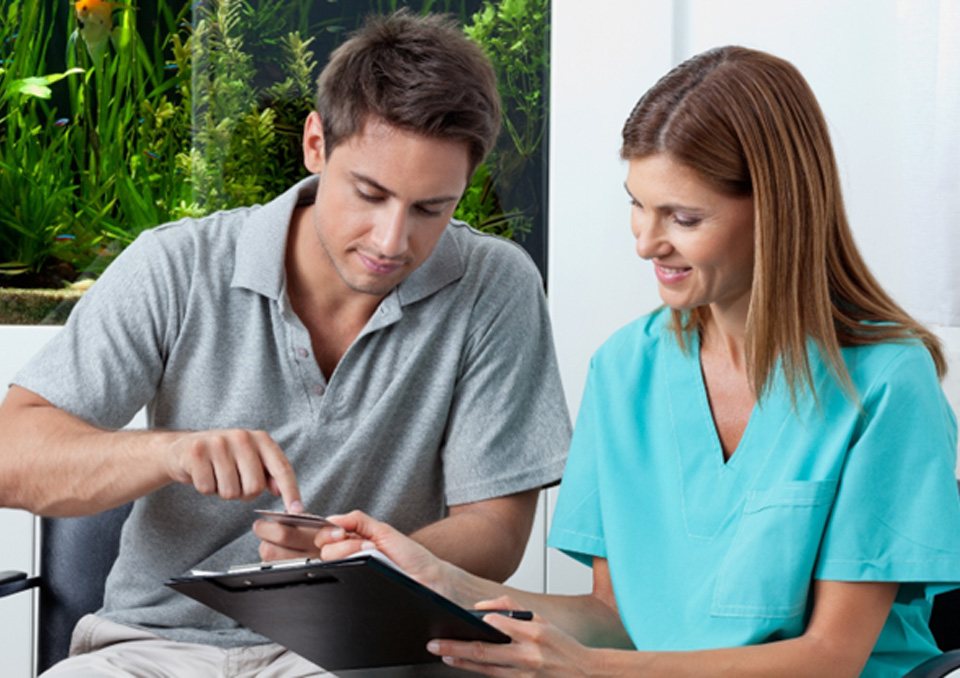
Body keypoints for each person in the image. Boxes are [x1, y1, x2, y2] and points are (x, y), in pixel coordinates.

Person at [312, 46, 960, 677]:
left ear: (777, 209)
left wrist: (595, 672)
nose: (648, 243)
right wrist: (437, 580)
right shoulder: (626, 369)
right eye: (637, 205)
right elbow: (612, 621)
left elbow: (830, 658)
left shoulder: (883, 383)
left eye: (683, 216)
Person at [0, 10, 570, 675]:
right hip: (149, 650)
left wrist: (377, 557)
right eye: (370, 193)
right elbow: (11, 458)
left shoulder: (495, 286)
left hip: (357, 653)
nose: (392, 241)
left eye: (431, 209)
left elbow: (497, 529)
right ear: (315, 144)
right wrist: (172, 452)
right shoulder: (176, 265)